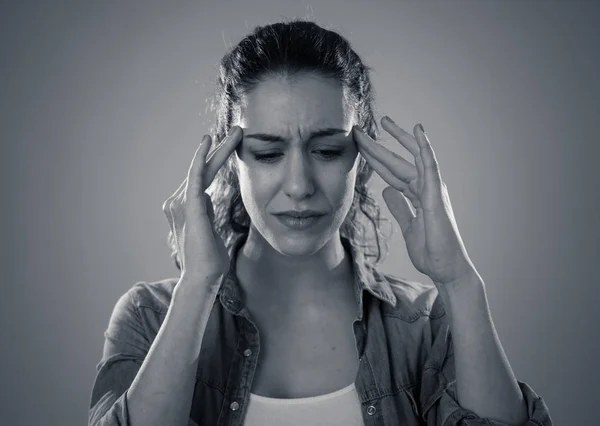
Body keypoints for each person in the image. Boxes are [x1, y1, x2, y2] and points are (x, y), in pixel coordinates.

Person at [88, 19, 552, 426]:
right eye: (268, 154)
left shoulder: (424, 326)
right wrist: (196, 287)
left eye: (327, 151)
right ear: (230, 163)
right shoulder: (149, 315)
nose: (299, 185)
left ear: (364, 160)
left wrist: (460, 283)